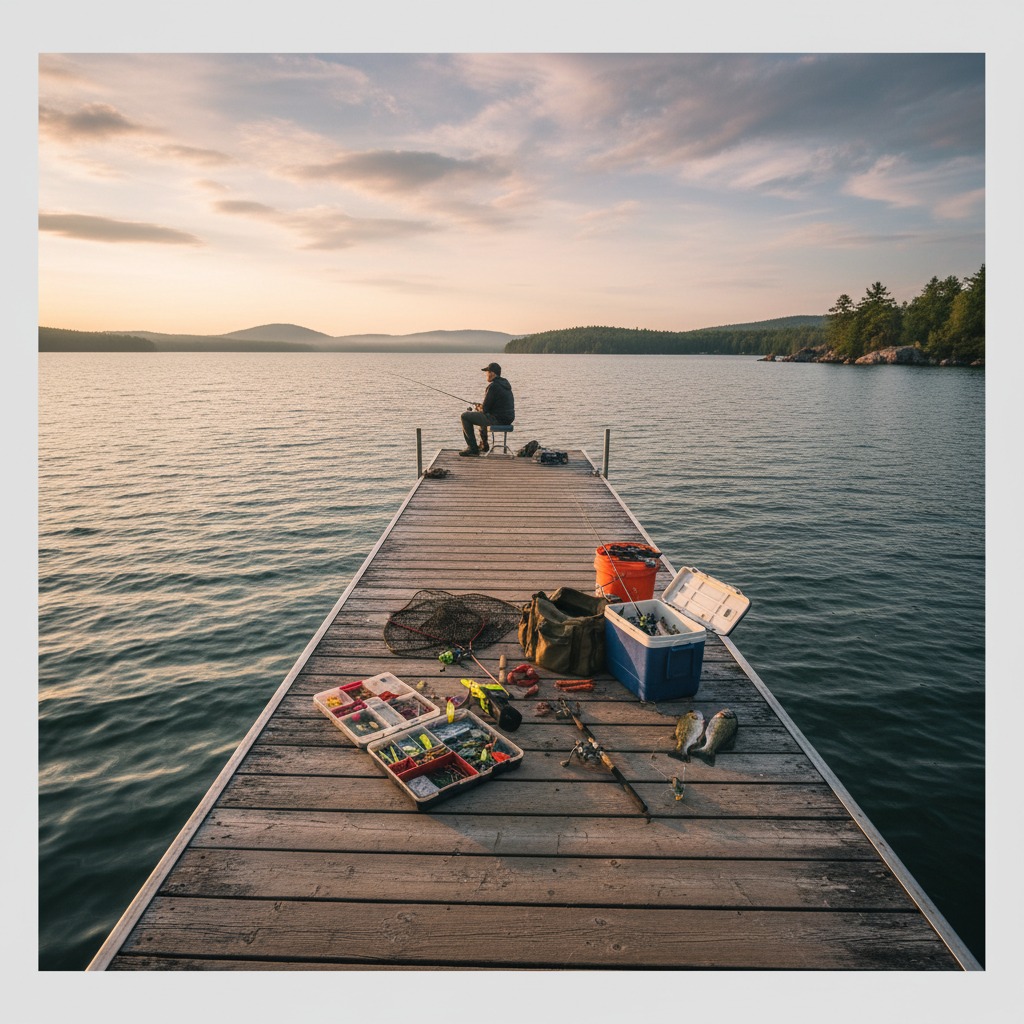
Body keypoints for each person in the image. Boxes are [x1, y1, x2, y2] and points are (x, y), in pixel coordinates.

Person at [460, 362, 514, 456]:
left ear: (492, 373)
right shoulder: (505, 385)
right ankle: (484, 445)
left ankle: (472, 448)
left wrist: (479, 407)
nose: (486, 375)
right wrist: (480, 407)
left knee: (464, 416)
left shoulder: (493, 386)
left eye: (487, 372)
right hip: (508, 418)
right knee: (481, 414)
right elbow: (493, 406)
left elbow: (485, 409)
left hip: (498, 419)